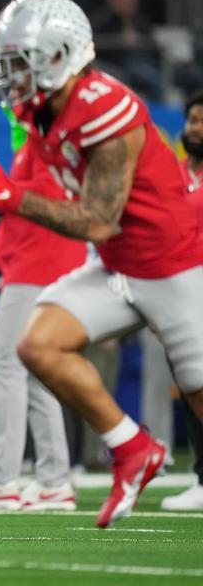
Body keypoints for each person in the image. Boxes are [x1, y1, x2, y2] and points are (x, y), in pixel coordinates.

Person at [0, 0, 203, 528]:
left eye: (20, 60)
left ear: (58, 55)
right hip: (121, 266)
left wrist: (7, 196)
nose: (10, 74)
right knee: (37, 345)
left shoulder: (104, 107)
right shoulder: (43, 108)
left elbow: (97, 220)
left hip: (176, 265)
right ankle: (133, 448)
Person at [0, 105, 85, 511]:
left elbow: (33, 200)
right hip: (41, 266)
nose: (16, 115)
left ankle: (4, 478)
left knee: (5, 369)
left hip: (36, 267)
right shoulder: (42, 148)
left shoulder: (50, 148)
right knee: (35, 376)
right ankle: (54, 479)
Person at [159, 90, 203, 511]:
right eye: (192, 120)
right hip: (180, 291)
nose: (197, 128)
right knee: (191, 386)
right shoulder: (172, 175)